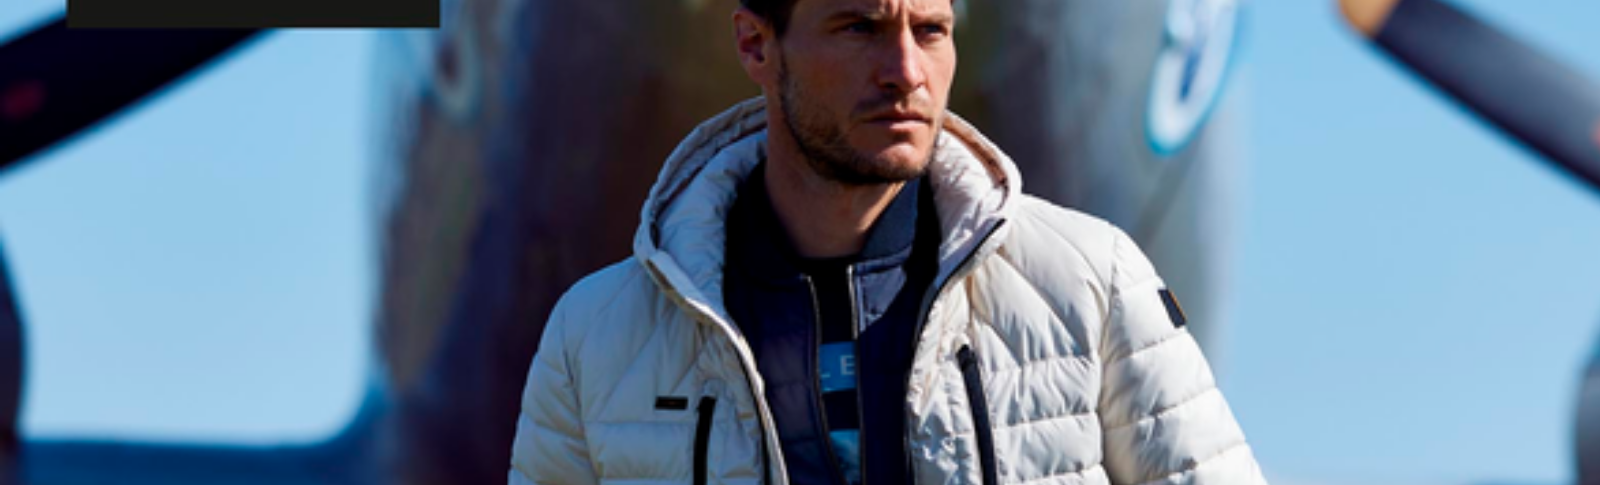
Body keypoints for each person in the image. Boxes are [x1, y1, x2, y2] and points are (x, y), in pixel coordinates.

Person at [509, 0, 1267, 483]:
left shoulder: (1094, 283)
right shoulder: (593, 338)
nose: (906, 72)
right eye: (859, 28)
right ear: (755, 44)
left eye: (931, 30)